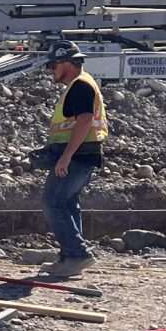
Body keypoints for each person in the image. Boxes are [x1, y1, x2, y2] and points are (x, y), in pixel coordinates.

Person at [38, 41, 109, 277]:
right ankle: (69, 259)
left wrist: (66, 156)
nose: (51, 70)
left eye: (53, 64)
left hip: (77, 156)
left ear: (67, 62)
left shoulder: (80, 86)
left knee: (52, 201)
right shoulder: (79, 85)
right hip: (82, 155)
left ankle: (77, 254)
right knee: (68, 204)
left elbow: (85, 120)